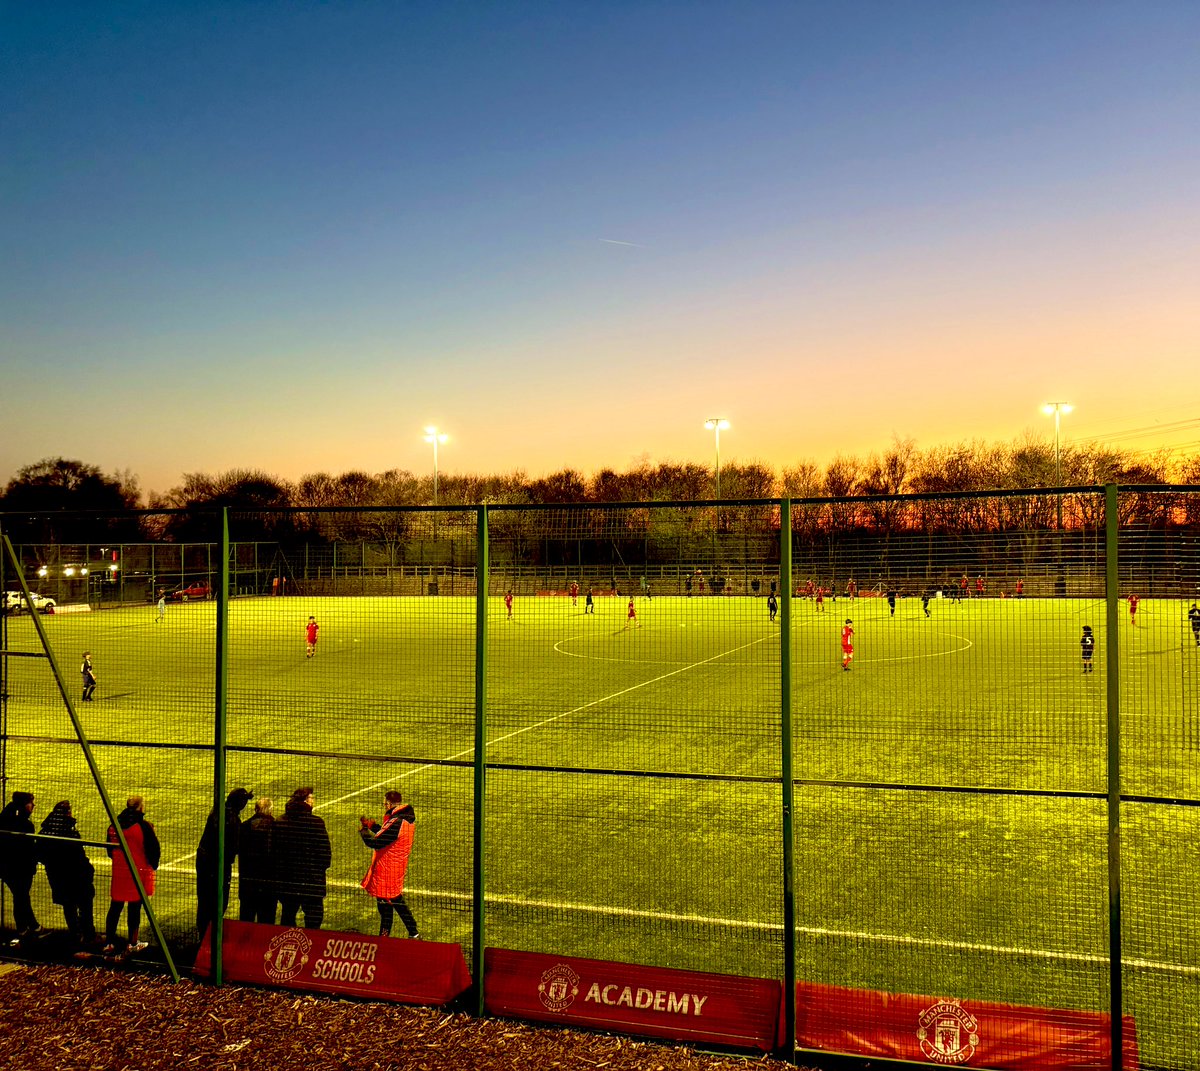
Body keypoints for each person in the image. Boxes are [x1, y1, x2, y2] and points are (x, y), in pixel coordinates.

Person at [359, 790, 420, 940]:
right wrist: (373, 826)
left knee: (386, 907)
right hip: (396, 867)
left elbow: (377, 843)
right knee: (396, 902)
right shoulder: (405, 819)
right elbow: (388, 834)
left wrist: (364, 831)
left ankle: (385, 938)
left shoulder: (396, 822)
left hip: (387, 871)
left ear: (388, 803)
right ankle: (413, 932)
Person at [38, 800, 97, 951]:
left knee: (68, 905)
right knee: (85, 904)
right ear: (67, 813)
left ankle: (75, 934)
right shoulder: (68, 832)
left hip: (57, 876)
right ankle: (88, 935)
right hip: (75, 875)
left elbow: (40, 854)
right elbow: (78, 855)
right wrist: (88, 870)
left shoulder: (45, 831)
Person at [195, 787, 253, 939]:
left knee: (204, 899)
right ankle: (212, 936)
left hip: (204, 861)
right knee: (218, 901)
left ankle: (203, 933)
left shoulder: (218, 811)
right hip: (217, 865)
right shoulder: (232, 820)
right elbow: (234, 847)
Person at [104, 796, 160, 955]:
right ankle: (132, 943)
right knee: (134, 909)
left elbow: (110, 850)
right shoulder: (143, 827)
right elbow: (153, 850)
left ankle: (109, 942)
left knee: (115, 907)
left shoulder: (114, 825)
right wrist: (153, 865)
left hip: (120, 873)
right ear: (140, 808)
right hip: (137, 872)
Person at [273, 787, 331, 930]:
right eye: (312, 798)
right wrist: (320, 870)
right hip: (311, 880)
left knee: (287, 915)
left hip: (288, 879)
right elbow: (324, 852)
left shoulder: (280, 821)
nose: (313, 801)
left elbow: (275, 851)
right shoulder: (316, 823)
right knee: (314, 918)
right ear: (306, 801)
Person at [0, 791, 42, 940]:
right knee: (21, 896)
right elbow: (28, 849)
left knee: (21, 896)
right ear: (24, 805)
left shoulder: (4, 818)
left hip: (6, 867)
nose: (33, 805)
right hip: (20, 868)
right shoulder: (26, 825)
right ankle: (25, 928)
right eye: (31, 803)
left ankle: (31, 926)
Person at [238, 798, 277, 924]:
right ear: (270, 811)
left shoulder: (244, 827)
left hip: (247, 883)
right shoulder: (276, 827)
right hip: (268, 885)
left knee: (246, 919)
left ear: (255, 809)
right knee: (267, 922)